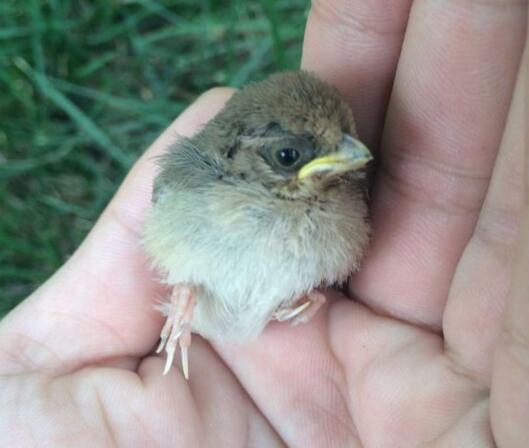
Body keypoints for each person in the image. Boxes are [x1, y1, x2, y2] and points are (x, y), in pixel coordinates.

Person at [1, 1, 527, 446]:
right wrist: (184, 293)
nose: (350, 152)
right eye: (289, 155)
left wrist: (312, 293)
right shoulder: (196, 182)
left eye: (345, 134)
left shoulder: (341, 207)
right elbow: (168, 235)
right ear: (241, 156)